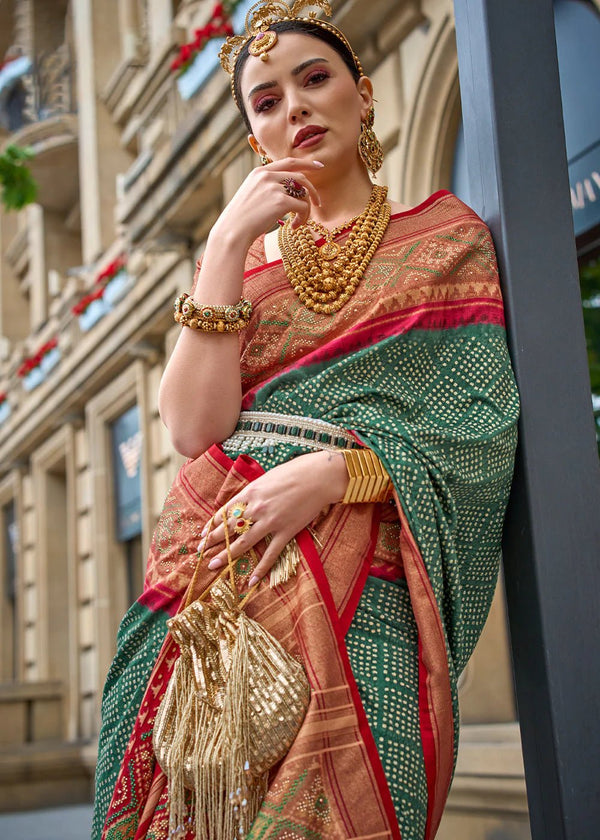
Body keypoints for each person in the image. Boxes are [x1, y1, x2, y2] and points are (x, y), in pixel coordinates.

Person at [92, 2, 519, 839]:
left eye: (314, 80)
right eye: (267, 100)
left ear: (363, 97)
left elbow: (478, 425)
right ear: (258, 138)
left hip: (371, 583)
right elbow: (190, 428)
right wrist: (222, 245)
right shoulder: (246, 263)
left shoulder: (444, 239)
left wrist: (335, 474)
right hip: (217, 584)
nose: (295, 107)